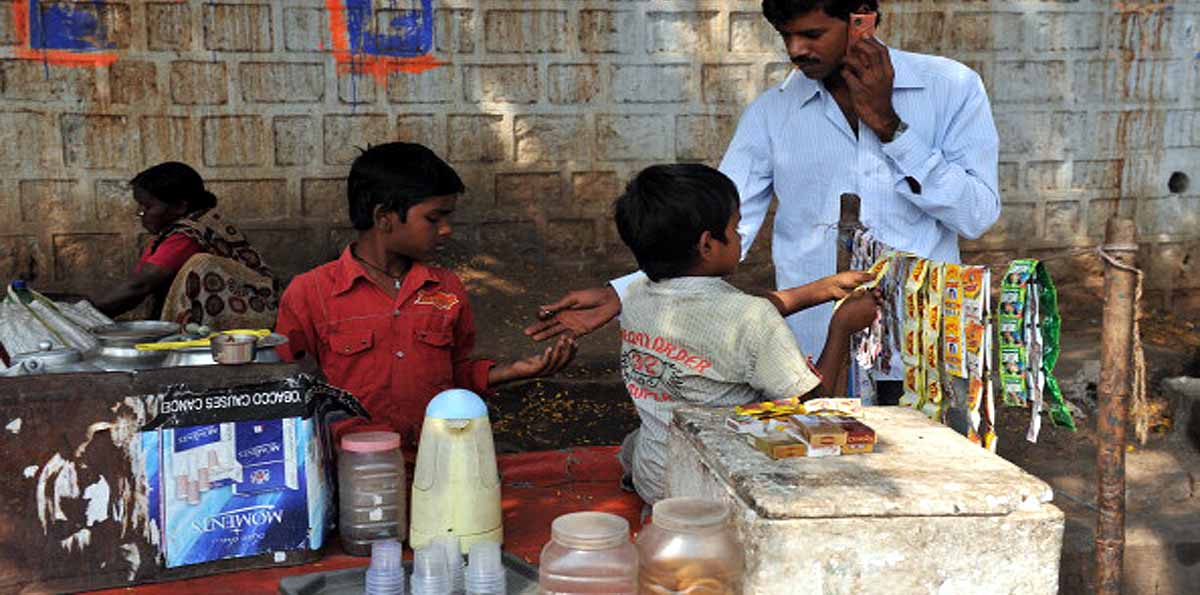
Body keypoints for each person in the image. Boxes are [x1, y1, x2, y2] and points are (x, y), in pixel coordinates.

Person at [527, 0, 1000, 403]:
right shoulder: (772, 114)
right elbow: (719, 227)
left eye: (812, 34)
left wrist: (891, 128)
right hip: (813, 355)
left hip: (923, 347)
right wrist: (623, 293)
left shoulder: (951, 88)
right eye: (786, 35)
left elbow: (976, 216)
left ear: (861, 21)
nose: (795, 49)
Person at [274, 142, 576, 446]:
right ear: (383, 218)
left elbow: (454, 377)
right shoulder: (310, 292)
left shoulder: (447, 289)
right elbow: (286, 390)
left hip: (436, 456)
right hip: (352, 465)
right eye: (434, 219)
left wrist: (512, 371)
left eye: (448, 218)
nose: (446, 230)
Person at [612, 164, 878, 504]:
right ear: (707, 244)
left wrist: (821, 290)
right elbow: (817, 406)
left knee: (642, 437)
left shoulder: (636, 295)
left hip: (652, 473)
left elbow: (723, 311)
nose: (740, 237)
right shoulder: (751, 319)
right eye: (735, 229)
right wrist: (841, 327)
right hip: (716, 488)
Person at [95, 162, 278, 329]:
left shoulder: (187, 236)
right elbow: (136, 284)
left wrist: (87, 314)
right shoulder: (170, 236)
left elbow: (139, 286)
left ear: (179, 207)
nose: (140, 213)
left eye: (147, 207)